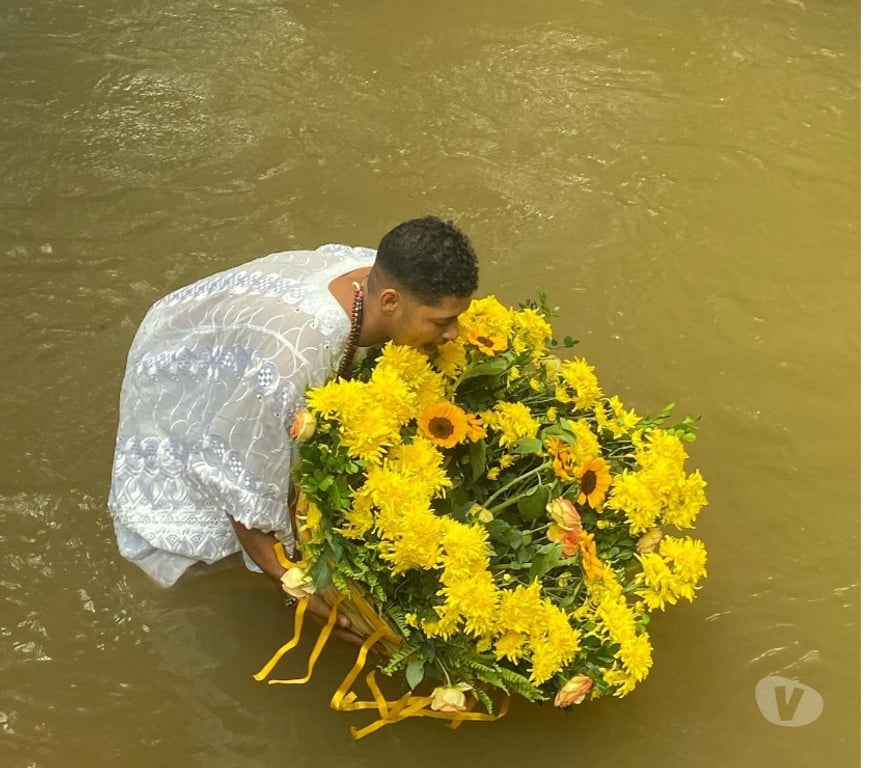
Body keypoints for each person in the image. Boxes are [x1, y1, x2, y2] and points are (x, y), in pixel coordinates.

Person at [108, 215, 478, 641]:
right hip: (182, 357)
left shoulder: (385, 279)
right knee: (211, 523)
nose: (455, 332)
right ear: (390, 302)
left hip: (250, 334)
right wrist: (305, 593)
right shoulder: (297, 358)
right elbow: (238, 485)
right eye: (441, 322)